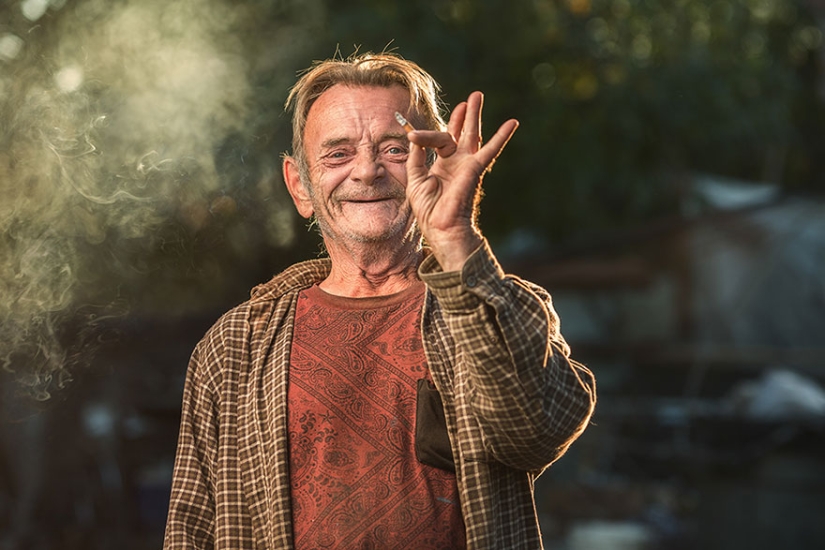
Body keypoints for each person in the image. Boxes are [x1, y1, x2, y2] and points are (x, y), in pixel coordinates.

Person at [163, 52, 596, 550]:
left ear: (433, 167)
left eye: (394, 149)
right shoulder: (237, 345)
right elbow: (191, 531)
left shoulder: (493, 307)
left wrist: (455, 238)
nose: (366, 172)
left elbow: (535, 433)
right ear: (300, 185)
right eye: (338, 154)